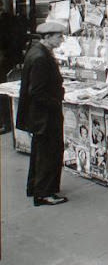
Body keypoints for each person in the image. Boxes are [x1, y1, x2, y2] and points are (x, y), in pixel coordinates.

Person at [16, 21, 69, 206]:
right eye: (58, 36)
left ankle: (36, 188)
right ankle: (45, 193)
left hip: (39, 115)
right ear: (47, 37)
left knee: (40, 152)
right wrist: (56, 102)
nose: (61, 40)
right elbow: (37, 91)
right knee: (49, 152)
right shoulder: (40, 57)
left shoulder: (38, 52)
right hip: (44, 115)